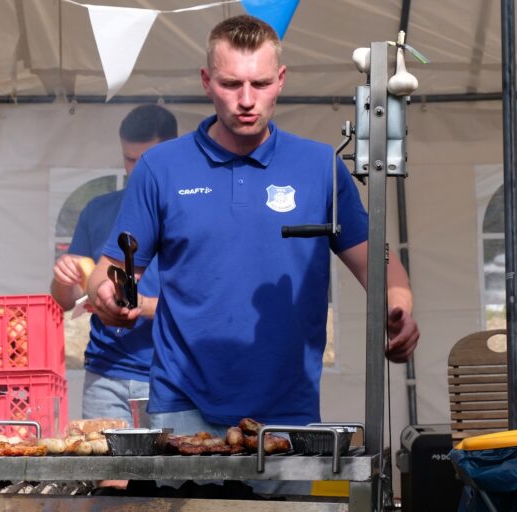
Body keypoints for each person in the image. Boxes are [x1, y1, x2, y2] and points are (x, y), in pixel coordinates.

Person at [88, 15, 420, 437]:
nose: (246, 99)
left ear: (281, 79)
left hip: (288, 405)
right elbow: (111, 270)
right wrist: (106, 294)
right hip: (182, 403)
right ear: (207, 81)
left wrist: (400, 309)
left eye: (260, 84)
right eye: (230, 84)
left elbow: (378, 261)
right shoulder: (160, 167)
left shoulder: (320, 167)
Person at [51, 104, 178, 426]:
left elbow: (210, 308)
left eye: (146, 161)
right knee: (109, 475)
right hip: (105, 374)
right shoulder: (98, 209)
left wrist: (140, 305)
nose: (136, 171)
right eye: (129, 159)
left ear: (173, 154)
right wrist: (65, 277)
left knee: (172, 476)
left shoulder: (194, 213)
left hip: (173, 375)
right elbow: (65, 301)